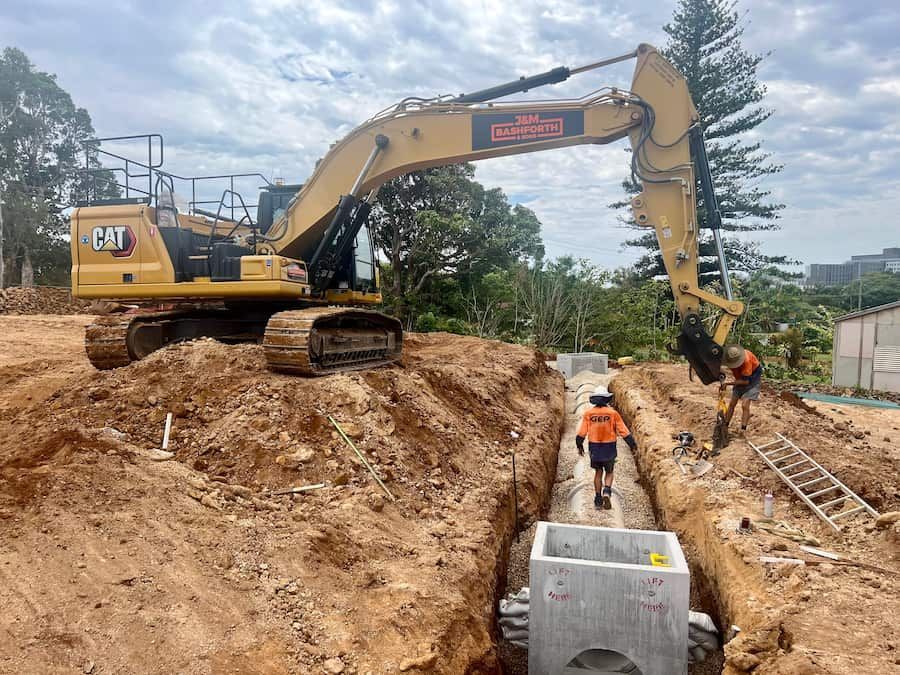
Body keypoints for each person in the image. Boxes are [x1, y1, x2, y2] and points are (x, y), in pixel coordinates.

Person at [576, 385, 637, 510]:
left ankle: (598, 499)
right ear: (606, 399)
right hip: (609, 447)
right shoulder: (613, 414)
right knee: (609, 471)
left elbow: (582, 432)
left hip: (594, 447)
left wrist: (579, 445)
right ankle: (607, 492)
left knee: (598, 472)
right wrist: (632, 445)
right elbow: (623, 431)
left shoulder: (589, 413)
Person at [722, 345, 763, 436]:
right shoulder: (730, 357)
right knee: (732, 403)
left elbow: (745, 381)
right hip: (740, 378)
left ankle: (743, 429)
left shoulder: (746, 361)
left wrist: (728, 384)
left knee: (745, 405)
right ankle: (725, 425)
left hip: (751, 380)